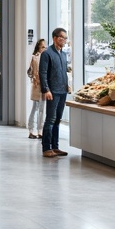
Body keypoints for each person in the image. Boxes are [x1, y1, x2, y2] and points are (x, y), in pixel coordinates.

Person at [39, 28, 71, 158]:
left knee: (58, 119)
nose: (64, 40)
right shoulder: (47, 53)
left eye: (65, 38)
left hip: (62, 90)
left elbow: (63, 72)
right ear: (54, 38)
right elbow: (43, 73)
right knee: (50, 119)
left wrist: (67, 85)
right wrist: (46, 89)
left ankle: (55, 147)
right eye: (61, 37)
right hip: (52, 91)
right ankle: (47, 148)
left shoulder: (63, 54)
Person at [27, 38, 47, 139]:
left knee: (40, 109)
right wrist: (34, 77)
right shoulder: (35, 58)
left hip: (43, 86)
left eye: (45, 47)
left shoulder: (46, 57)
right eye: (43, 47)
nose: (44, 48)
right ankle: (33, 130)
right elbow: (30, 72)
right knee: (36, 108)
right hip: (37, 86)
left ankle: (38, 130)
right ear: (38, 48)